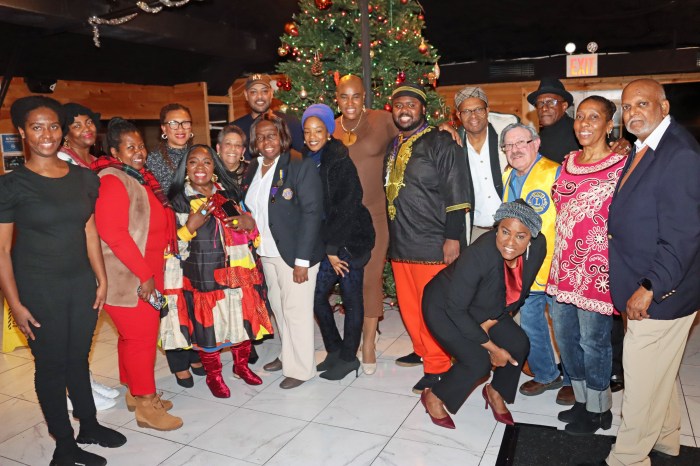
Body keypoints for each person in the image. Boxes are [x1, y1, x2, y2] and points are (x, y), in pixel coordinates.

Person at [0, 96, 125, 466]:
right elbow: (3, 250)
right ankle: (64, 444)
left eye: (53, 126)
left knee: (78, 359)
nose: (47, 134)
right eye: (36, 127)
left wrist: (101, 279)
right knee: (51, 365)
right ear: (22, 132)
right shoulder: (12, 185)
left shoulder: (84, 178)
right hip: (39, 288)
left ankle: (89, 425)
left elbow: (90, 232)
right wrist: (15, 304)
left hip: (81, 283)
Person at [599, 79, 700, 466]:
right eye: (627, 107)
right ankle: (667, 439)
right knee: (659, 371)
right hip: (640, 282)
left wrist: (651, 287)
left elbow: (684, 236)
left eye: (642, 104)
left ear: (664, 105)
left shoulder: (680, 155)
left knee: (640, 382)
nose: (633, 113)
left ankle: (628, 458)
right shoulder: (644, 148)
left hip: (661, 292)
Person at [161, 145, 273, 398]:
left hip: (237, 272)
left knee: (241, 323)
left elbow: (250, 232)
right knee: (208, 330)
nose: (200, 167)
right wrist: (190, 225)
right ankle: (214, 376)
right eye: (194, 162)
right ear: (186, 169)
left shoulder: (228, 194)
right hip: (203, 276)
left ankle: (241, 367)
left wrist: (249, 223)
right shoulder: (177, 200)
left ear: (215, 168)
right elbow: (168, 247)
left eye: (207, 162)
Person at [421, 200, 546, 429]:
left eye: (521, 236)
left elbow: (520, 292)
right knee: (477, 362)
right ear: (496, 228)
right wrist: (493, 348)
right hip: (444, 306)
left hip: (484, 304)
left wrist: (487, 327)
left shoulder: (537, 248)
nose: (510, 243)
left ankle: (495, 392)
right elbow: (456, 310)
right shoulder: (479, 254)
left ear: (531, 237)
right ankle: (434, 396)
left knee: (519, 343)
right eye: (505, 232)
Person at [93, 118, 183, 431]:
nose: (139, 152)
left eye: (141, 145)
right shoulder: (111, 180)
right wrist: (145, 276)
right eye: (130, 147)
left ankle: (134, 392)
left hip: (145, 272)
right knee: (141, 340)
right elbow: (114, 234)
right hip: (129, 278)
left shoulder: (138, 177)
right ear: (114, 150)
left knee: (132, 339)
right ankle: (146, 405)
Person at [546, 96, 627, 435]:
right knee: (566, 338)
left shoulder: (623, 164)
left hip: (597, 270)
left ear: (610, 125)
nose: (584, 123)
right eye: (580, 117)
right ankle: (581, 401)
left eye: (594, 117)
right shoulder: (567, 162)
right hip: (563, 265)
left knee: (594, 342)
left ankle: (599, 410)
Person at [385, 83, 471, 394]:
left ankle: (438, 366)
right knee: (409, 308)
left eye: (411, 104)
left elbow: (456, 193)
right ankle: (422, 349)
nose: (404, 110)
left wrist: (453, 237)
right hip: (401, 243)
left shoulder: (441, 142)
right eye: (398, 105)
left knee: (432, 308)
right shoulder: (394, 144)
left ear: (423, 109)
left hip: (433, 243)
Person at [242, 113, 324, 389]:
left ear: (282, 137)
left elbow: (312, 213)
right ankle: (287, 354)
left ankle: (301, 369)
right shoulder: (253, 168)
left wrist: (302, 261)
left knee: (296, 311)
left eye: (272, 135)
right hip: (266, 252)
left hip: (295, 255)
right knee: (279, 308)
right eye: (260, 136)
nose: (266, 141)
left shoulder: (300, 165)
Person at [302, 104, 375, 380]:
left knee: (352, 299)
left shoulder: (339, 159)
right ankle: (334, 349)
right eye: (307, 131)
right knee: (317, 296)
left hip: (350, 241)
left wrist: (333, 250)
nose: (312, 136)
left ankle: (348, 358)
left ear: (328, 132)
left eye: (318, 130)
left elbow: (347, 206)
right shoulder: (308, 160)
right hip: (328, 242)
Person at [332, 74, 398, 373]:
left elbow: (415, 130)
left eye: (356, 96)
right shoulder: (330, 127)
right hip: (342, 218)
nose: (350, 103)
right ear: (337, 98)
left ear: (364, 97)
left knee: (370, 278)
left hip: (375, 216)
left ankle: (368, 343)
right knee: (350, 282)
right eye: (344, 96)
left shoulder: (382, 121)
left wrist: (446, 128)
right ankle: (355, 333)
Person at [58, 102, 120, 412]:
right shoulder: (61, 162)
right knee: (77, 325)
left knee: (88, 323)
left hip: (98, 248)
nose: (87, 129)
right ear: (65, 132)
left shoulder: (95, 161)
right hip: (74, 254)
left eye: (90, 123)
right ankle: (74, 390)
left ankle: (82, 379)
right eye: (78, 125)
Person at [500, 123, 567, 402]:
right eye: (509, 146)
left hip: (557, 266)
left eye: (521, 143)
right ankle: (546, 374)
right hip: (526, 268)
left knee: (565, 330)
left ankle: (576, 380)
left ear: (536, 144)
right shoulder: (508, 176)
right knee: (531, 324)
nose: (515, 150)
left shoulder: (556, 172)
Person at [146, 103, 204, 386]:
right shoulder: (154, 160)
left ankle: (194, 352)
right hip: (169, 237)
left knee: (194, 298)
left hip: (198, 239)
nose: (180, 129)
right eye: (173, 123)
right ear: (163, 129)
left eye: (185, 123)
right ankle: (178, 362)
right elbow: (154, 204)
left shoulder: (200, 155)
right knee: (172, 302)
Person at [451, 86, 515, 243]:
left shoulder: (507, 135)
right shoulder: (454, 146)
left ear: (487, 110)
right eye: (466, 111)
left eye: (478, 109)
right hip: (474, 232)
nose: (473, 116)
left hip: (511, 227)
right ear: (458, 115)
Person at [232, 74, 304, 158]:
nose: (259, 96)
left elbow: (302, 159)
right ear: (246, 95)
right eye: (253, 92)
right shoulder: (236, 129)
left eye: (264, 91)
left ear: (272, 93)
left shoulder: (291, 123)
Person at [527, 77, 580, 164]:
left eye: (551, 102)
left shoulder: (579, 132)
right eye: (540, 103)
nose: (544, 108)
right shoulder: (536, 139)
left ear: (564, 106)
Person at [58, 103, 100, 168]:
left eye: (89, 122)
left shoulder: (99, 162)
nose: (86, 129)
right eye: (77, 126)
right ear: (65, 134)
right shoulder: (60, 159)